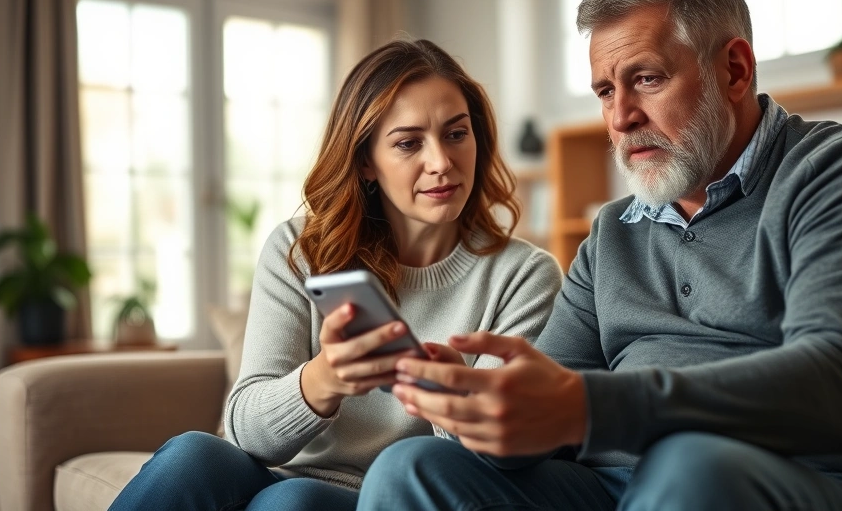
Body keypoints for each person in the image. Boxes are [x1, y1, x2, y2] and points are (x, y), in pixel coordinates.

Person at [356, 0, 842, 511]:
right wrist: (481, 408)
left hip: (798, 482)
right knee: (413, 466)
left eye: (646, 79)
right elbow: (546, 410)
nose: (620, 119)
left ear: (734, 70)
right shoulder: (614, 233)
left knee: (690, 465)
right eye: (606, 91)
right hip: (615, 485)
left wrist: (583, 406)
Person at [108, 39, 563, 511]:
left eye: (456, 134)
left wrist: (446, 397)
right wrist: (324, 378)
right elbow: (247, 430)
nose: (441, 162)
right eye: (409, 143)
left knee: (292, 501)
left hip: (391, 493)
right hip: (276, 470)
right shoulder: (301, 248)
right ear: (366, 161)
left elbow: (493, 465)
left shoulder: (525, 277)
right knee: (191, 454)